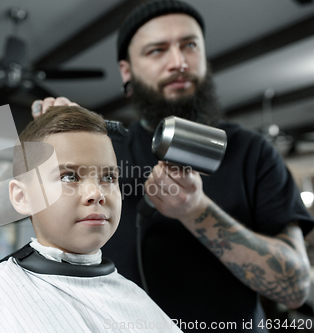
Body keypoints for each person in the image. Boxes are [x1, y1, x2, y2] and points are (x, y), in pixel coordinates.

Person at [31, 1, 314, 332]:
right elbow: (9, 214)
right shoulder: (106, 151)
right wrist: (59, 145)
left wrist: (196, 211)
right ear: (127, 71)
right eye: (157, 50)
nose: (178, 62)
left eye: (190, 46)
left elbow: (295, 289)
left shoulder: (253, 153)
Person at [0, 106, 183, 332]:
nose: (96, 193)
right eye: (69, 177)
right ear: (21, 197)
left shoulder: (132, 296)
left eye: (108, 178)